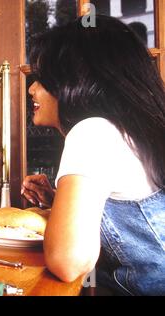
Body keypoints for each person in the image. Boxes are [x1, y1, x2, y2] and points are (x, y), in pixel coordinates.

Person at [21, 15, 165, 295]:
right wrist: (59, 201)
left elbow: (69, 262)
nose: (31, 89)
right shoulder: (127, 131)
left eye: (42, 78)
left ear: (76, 79)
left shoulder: (92, 132)